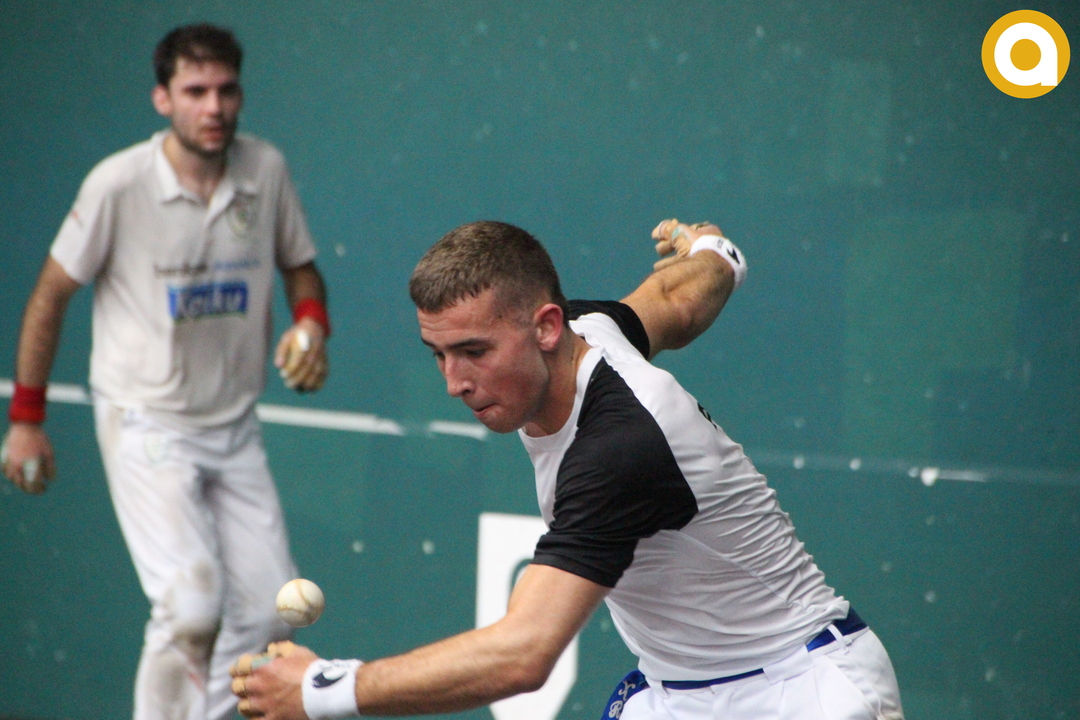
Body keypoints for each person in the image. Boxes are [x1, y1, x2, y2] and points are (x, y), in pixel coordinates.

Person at [230, 219, 903, 720]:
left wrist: (323, 690)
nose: (454, 382)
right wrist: (715, 253)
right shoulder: (592, 329)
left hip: (799, 693)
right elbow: (677, 297)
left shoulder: (619, 449)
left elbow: (524, 654)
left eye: (474, 351)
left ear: (547, 326)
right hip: (681, 694)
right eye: (439, 354)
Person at [1, 23, 331, 720]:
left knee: (271, 613)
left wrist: (311, 327)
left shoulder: (265, 169)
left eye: (226, 90)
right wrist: (26, 419)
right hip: (146, 421)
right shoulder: (118, 184)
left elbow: (302, 269)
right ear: (162, 99)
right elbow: (50, 295)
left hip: (234, 426)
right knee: (190, 606)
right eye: (195, 91)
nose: (214, 107)